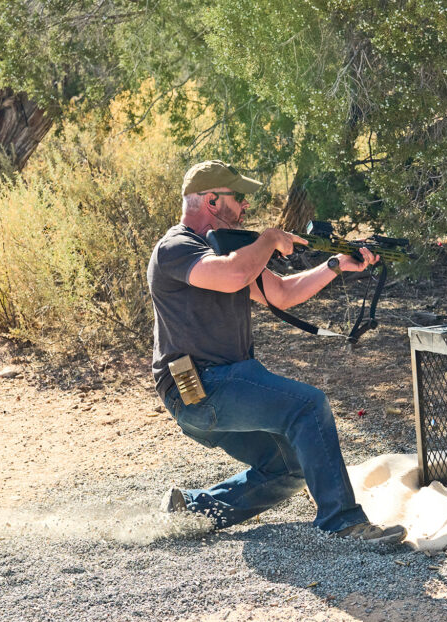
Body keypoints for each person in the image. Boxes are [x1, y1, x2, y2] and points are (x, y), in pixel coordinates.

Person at [147, 160, 405, 544]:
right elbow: (234, 273)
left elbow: (281, 293)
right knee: (307, 406)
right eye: (239, 198)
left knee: (291, 465)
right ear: (212, 201)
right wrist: (268, 240)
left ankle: (195, 510)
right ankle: (344, 522)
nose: (245, 207)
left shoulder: (222, 252)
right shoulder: (176, 248)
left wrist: (334, 265)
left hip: (214, 387)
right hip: (199, 387)